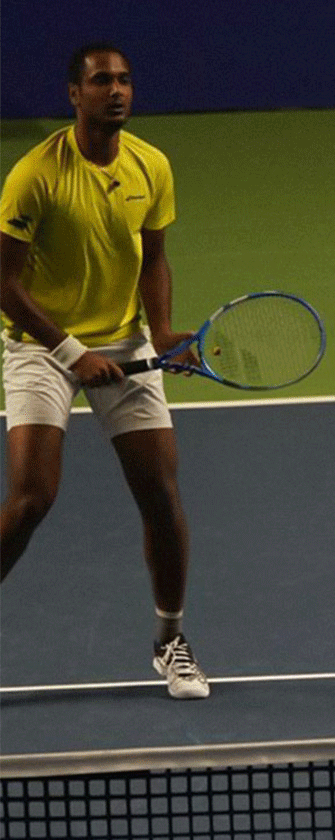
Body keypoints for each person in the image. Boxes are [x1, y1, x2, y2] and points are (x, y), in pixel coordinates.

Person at [1, 43, 209, 699]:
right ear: (74, 94)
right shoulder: (35, 175)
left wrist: (166, 331)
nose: (115, 91)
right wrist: (69, 353)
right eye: (100, 81)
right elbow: (4, 284)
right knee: (33, 497)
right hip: (39, 345)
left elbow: (153, 259)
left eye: (123, 80)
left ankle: (170, 639)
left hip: (124, 341)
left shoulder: (152, 165)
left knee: (161, 495)